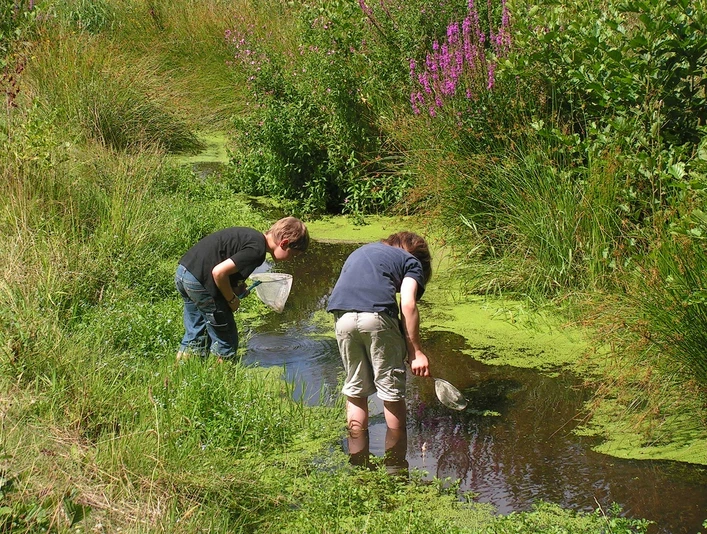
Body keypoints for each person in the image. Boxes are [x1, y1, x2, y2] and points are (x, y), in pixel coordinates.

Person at [326, 231, 432, 470]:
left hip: (342, 318)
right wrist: (415, 351)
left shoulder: (363, 251)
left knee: (355, 389)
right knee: (391, 390)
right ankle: (395, 465)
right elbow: (407, 303)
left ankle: (358, 464)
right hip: (377, 317)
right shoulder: (410, 261)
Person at [175, 216, 309, 361]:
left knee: (196, 333)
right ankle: (222, 376)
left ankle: (181, 372)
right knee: (226, 338)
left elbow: (226, 268)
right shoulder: (257, 250)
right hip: (201, 282)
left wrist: (236, 288)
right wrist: (231, 299)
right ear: (284, 243)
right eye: (293, 254)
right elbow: (218, 272)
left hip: (185, 273)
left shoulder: (252, 238)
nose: (292, 259)